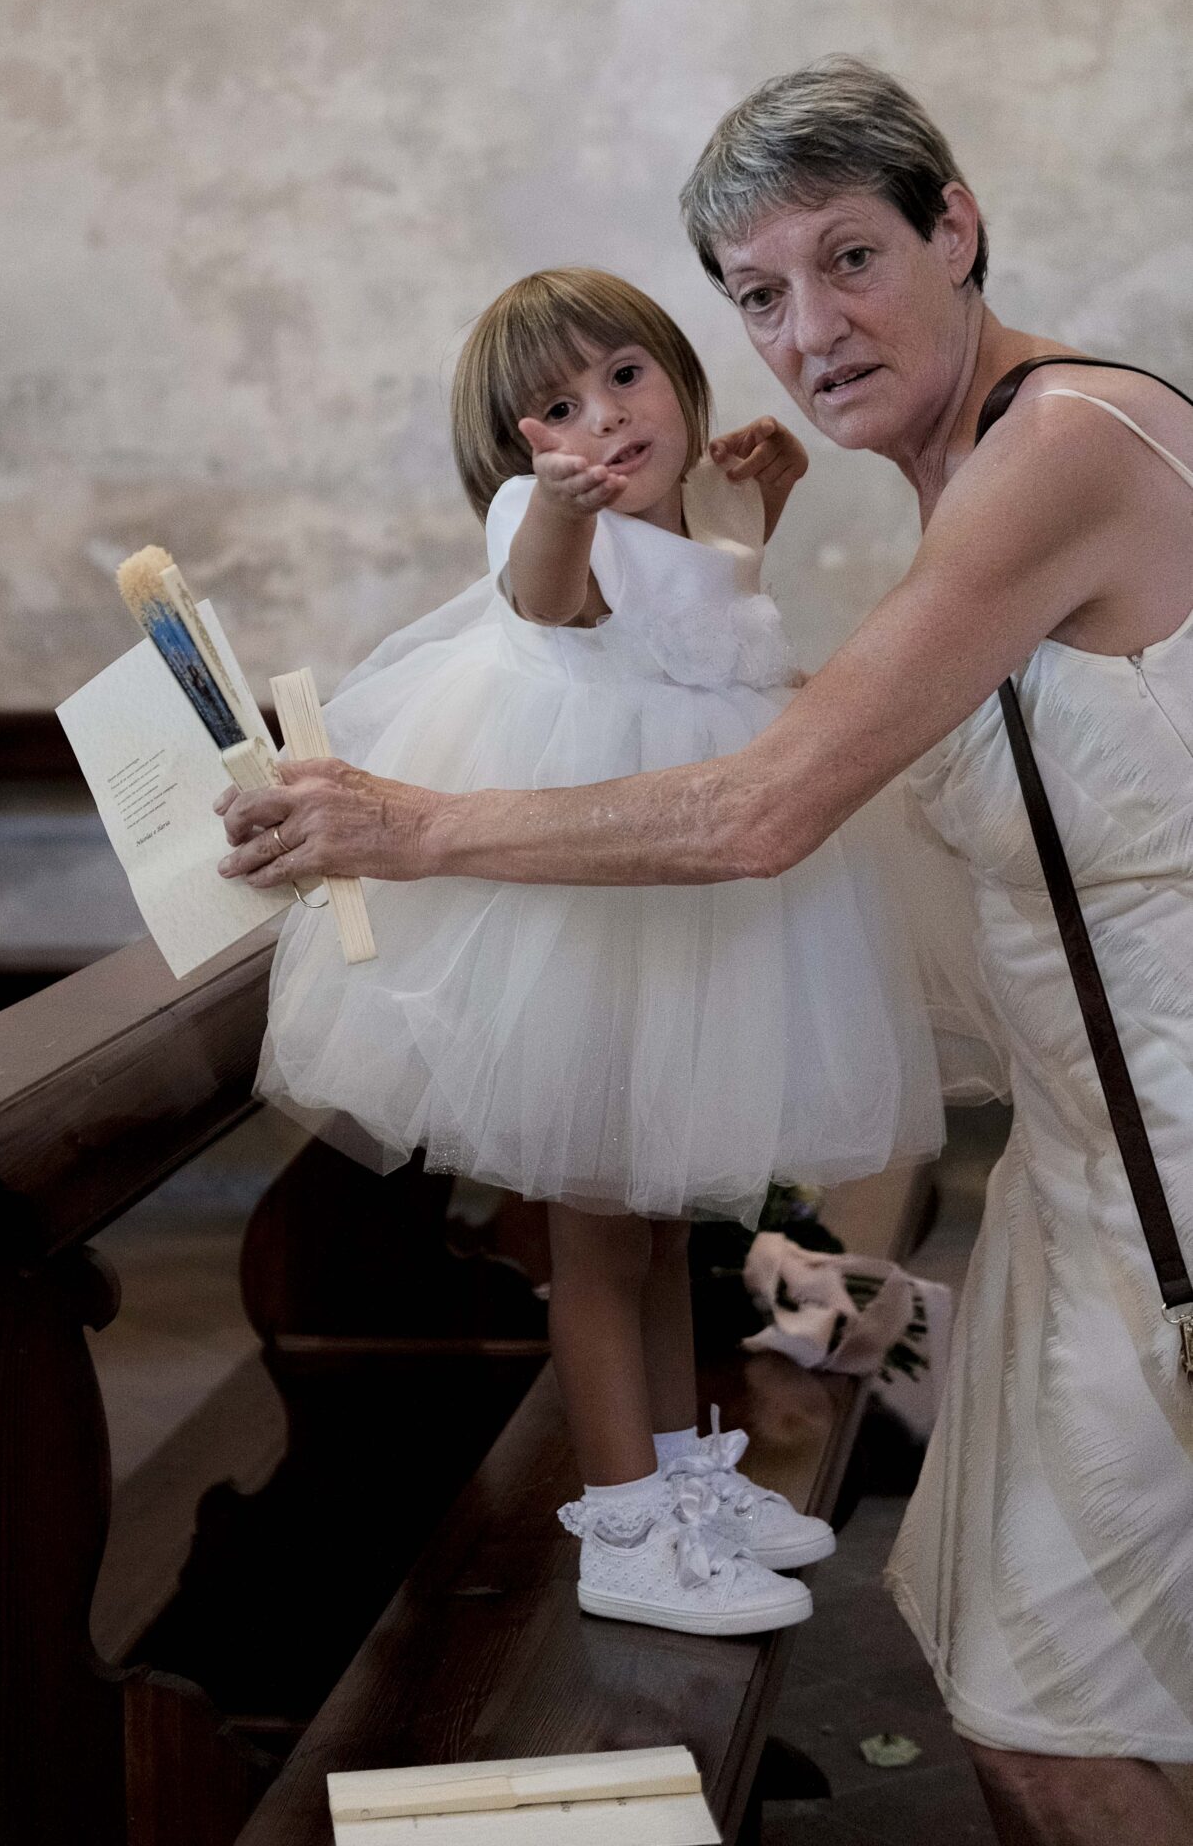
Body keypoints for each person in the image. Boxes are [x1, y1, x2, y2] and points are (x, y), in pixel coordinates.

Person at [220, 59, 1193, 1846]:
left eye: (851, 260)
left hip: (1171, 1168)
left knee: (1056, 1716)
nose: (809, 330)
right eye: (760, 294)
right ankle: (658, 1497)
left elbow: (766, 804)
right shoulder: (965, 469)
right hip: (1088, 1171)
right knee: (1028, 1685)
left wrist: (414, 829)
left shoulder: (1058, 446)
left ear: (956, 227)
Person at [255, 264, 943, 1638]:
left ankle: (682, 1474)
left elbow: (713, 610)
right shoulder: (545, 524)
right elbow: (546, 596)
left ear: (680, 378)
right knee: (596, 1240)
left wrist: (771, 490)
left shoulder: (692, 508)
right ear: (517, 451)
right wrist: (563, 505)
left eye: (626, 377)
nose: (606, 420)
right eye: (559, 409)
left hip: (684, 904)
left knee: (663, 1224)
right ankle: (624, 1523)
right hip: (586, 919)